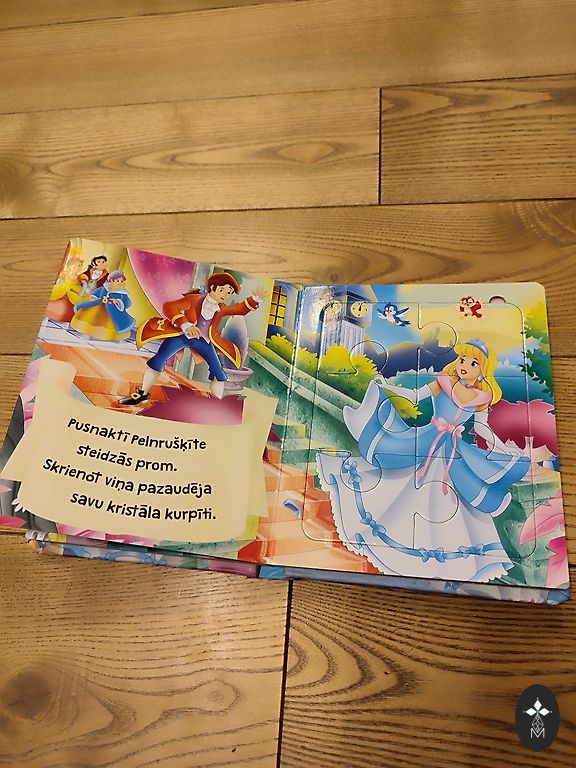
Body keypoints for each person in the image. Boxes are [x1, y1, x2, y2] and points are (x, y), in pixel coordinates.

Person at [316, 338, 531, 583]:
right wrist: (388, 388)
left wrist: (503, 448)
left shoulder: (481, 397)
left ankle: (439, 553)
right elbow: (415, 395)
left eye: (473, 363)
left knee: (447, 501)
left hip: (451, 452)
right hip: (426, 440)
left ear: (483, 370)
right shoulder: (444, 381)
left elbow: (482, 428)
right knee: (402, 485)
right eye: (462, 359)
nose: (464, 365)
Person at [120, 272, 263, 403]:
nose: (225, 295)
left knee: (218, 373)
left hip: (204, 342)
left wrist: (254, 299)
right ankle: (143, 394)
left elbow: (239, 309)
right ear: (212, 288)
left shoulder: (222, 308)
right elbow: (170, 307)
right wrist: (185, 324)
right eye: (222, 290)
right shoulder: (193, 299)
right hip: (183, 336)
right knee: (158, 360)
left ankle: (216, 404)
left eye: (229, 293)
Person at [70, 270, 135, 340]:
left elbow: (127, 302)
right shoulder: (105, 288)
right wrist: (94, 296)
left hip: (112, 310)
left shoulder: (122, 293)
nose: (120, 283)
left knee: (110, 322)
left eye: (122, 281)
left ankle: (105, 334)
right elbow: (98, 292)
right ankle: (86, 329)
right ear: (111, 281)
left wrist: (118, 302)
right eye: (118, 281)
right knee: (92, 316)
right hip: (99, 305)